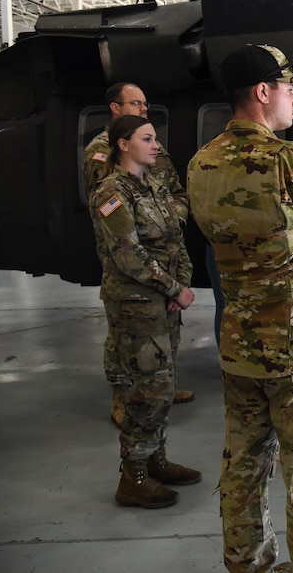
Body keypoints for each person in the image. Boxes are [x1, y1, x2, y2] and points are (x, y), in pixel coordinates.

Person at [187, 44, 293, 572]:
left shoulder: (201, 163)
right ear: (263, 92)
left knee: (242, 469)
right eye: (290, 89)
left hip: (239, 346)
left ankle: (248, 564)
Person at [89, 114, 201, 509]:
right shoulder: (111, 193)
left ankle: (155, 459)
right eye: (148, 139)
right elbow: (126, 254)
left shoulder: (152, 186)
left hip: (163, 300)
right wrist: (172, 288)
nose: (156, 146)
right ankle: (133, 476)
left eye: (155, 139)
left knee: (163, 384)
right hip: (135, 304)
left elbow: (175, 239)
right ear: (123, 144)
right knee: (147, 388)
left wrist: (181, 284)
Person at [82, 82, 194, 422]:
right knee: (128, 343)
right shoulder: (103, 159)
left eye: (146, 104)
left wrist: (178, 279)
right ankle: (125, 396)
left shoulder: (149, 154)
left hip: (163, 266)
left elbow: (176, 194)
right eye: (136, 103)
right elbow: (117, 225)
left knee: (164, 340)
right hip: (135, 274)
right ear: (116, 108)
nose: (144, 109)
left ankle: (162, 385)